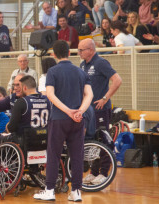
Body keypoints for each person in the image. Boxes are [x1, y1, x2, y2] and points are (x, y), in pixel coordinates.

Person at [34, 40, 93, 201]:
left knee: (53, 154)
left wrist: (67, 111)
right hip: (78, 119)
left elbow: (50, 95)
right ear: (69, 52)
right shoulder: (81, 72)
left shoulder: (52, 71)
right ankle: (76, 192)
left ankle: (50, 190)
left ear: (54, 54)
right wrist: (79, 111)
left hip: (59, 118)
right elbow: (90, 95)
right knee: (77, 155)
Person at [79, 38, 122, 185]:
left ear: (90, 50)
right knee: (92, 141)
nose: (78, 52)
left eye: (81, 50)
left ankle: (104, 173)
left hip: (101, 110)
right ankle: (94, 172)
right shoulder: (82, 64)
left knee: (103, 140)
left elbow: (117, 80)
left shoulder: (101, 63)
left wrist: (105, 98)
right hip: (88, 111)